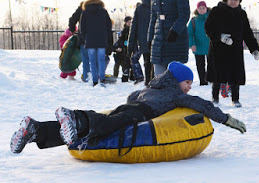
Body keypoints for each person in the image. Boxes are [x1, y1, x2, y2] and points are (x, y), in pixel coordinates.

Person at [10, 62, 246, 154]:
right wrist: (226, 119)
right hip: (140, 113)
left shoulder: (153, 85)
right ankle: (75, 117)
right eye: (187, 82)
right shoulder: (175, 93)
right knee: (105, 126)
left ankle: (36, 129)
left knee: (91, 129)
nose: (189, 87)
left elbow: (133, 94)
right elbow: (200, 104)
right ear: (178, 81)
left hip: (130, 104)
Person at [205, 0, 259, 108]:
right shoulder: (216, 11)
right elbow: (208, 28)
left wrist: (254, 48)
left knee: (235, 75)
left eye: (236, 0)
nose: (234, 2)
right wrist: (220, 37)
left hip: (235, 49)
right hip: (218, 49)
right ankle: (215, 98)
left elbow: (247, 32)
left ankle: (235, 99)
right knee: (217, 74)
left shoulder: (241, 14)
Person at [148, 0, 190, 77]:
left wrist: (175, 31)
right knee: (159, 80)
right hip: (158, 44)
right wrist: (150, 38)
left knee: (175, 80)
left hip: (175, 42)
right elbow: (153, 18)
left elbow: (184, 15)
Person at [80, 0, 112, 87]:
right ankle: (102, 78)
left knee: (92, 61)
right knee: (101, 60)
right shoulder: (104, 12)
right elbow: (109, 26)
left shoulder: (85, 12)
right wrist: (107, 38)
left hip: (90, 40)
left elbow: (82, 28)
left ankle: (95, 80)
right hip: (102, 40)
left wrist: (85, 38)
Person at [128, 0, 153, 86]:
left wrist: (130, 46)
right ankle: (154, 83)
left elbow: (133, 28)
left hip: (144, 41)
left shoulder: (139, 9)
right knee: (157, 63)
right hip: (157, 39)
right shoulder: (159, 5)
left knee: (147, 62)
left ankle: (148, 83)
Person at [188, 1, 211, 86]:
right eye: (199, 8)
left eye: (203, 8)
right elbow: (189, 33)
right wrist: (192, 44)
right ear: (197, 9)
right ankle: (203, 80)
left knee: (211, 64)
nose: (201, 10)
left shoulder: (211, 18)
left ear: (206, 8)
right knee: (200, 65)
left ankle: (210, 78)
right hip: (198, 46)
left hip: (210, 46)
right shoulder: (193, 20)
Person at [68, 1, 90, 82]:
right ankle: (95, 76)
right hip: (96, 38)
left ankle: (86, 77)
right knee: (95, 59)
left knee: (86, 59)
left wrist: (73, 30)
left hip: (83, 37)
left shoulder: (82, 8)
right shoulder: (99, 8)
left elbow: (72, 20)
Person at [112, 16, 133, 82]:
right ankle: (116, 76)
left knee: (127, 65)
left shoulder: (132, 29)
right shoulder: (125, 30)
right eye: (128, 22)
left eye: (130, 22)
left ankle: (129, 76)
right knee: (118, 65)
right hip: (123, 49)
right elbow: (121, 40)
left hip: (127, 49)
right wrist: (122, 46)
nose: (129, 23)